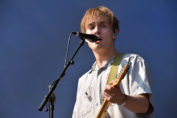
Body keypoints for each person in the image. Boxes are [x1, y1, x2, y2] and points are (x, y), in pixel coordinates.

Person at [72, 6, 154, 118]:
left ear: (114, 33)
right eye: (91, 27)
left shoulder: (132, 62)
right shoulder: (83, 81)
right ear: (86, 38)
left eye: (103, 25)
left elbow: (145, 106)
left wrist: (122, 99)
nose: (96, 30)